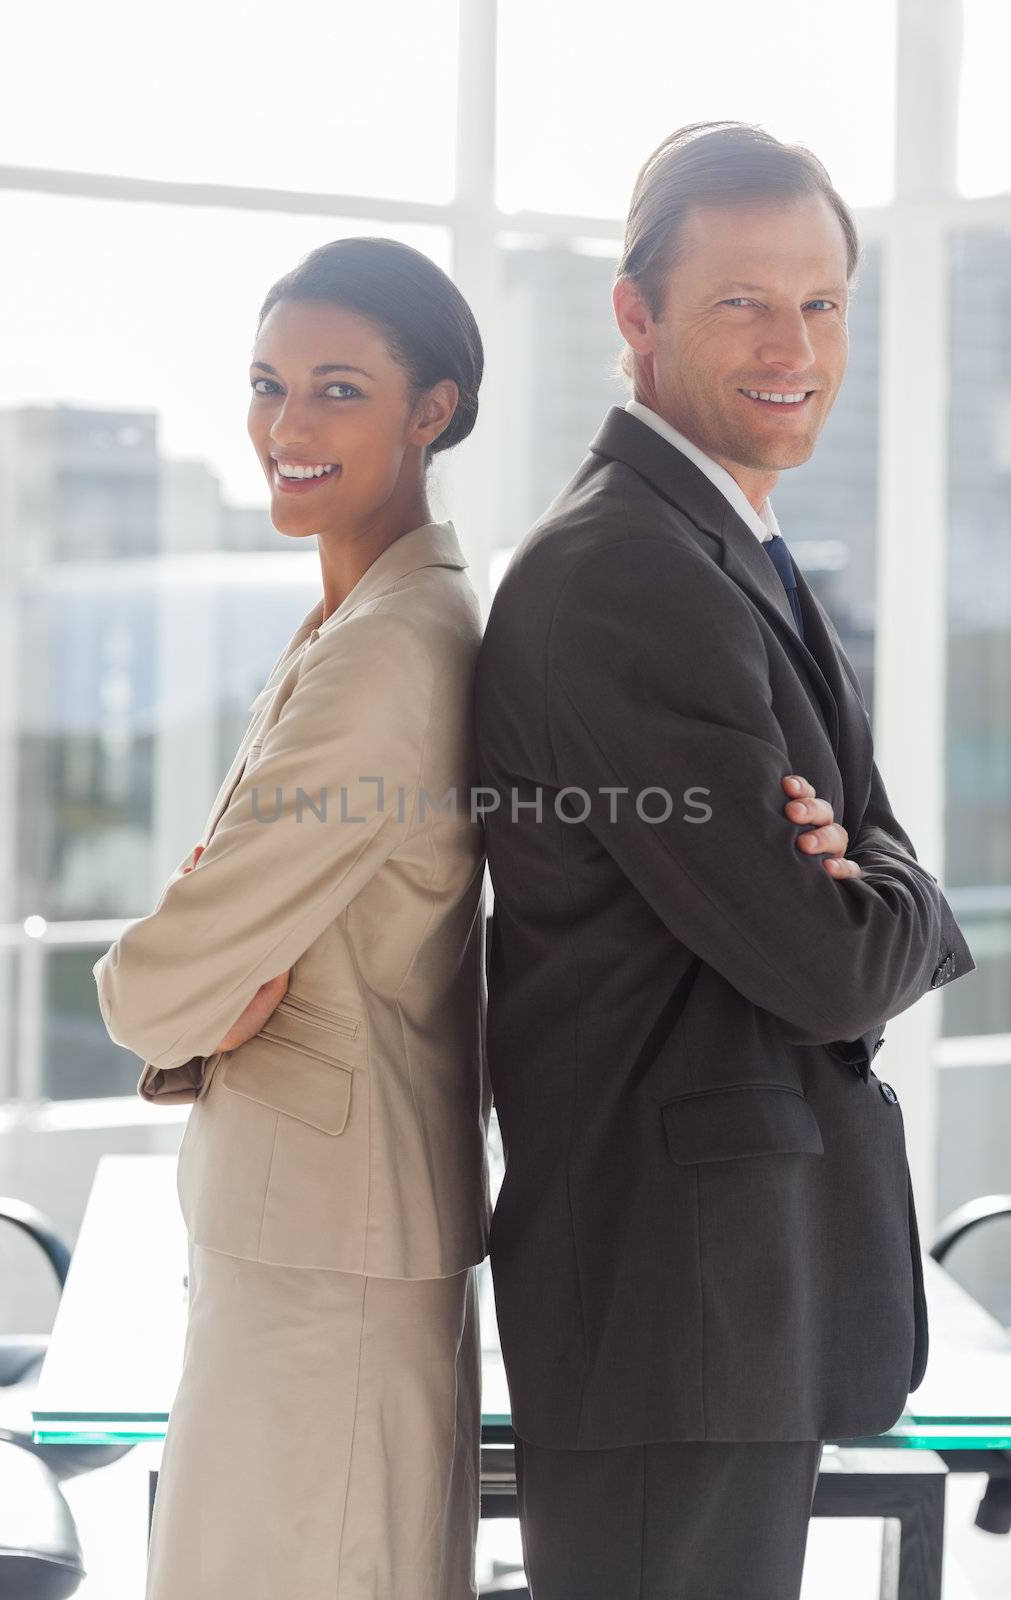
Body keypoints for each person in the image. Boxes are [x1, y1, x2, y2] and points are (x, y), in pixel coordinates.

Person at [473, 121, 975, 1600]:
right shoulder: (627, 571)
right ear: (636, 317)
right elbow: (825, 961)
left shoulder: (723, 545)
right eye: (744, 300)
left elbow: (858, 840)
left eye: (823, 301)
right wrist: (909, 894)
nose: (796, 343)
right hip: (670, 1299)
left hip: (721, 1296)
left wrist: (869, 863)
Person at [93, 236, 491, 1599]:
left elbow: (159, 982)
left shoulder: (390, 652)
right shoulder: (358, 620)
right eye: (269, 385)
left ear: (429, 411)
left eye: (337, 388)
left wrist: (188, 980)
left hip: (336, 1249)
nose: (287, 426)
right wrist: (211, 970)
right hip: (317, 1228)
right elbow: (213, 954)